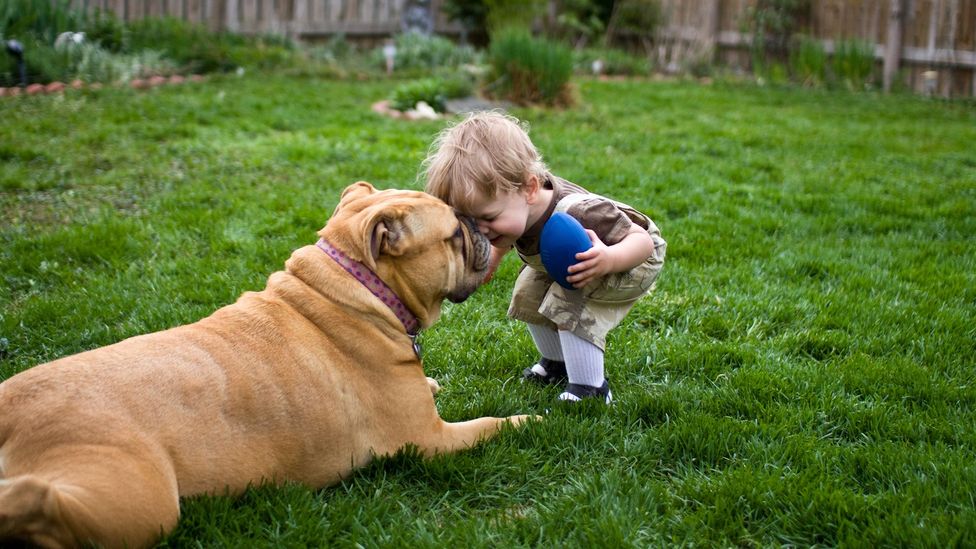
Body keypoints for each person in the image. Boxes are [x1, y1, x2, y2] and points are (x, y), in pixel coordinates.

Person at [423, 111, 666, 404]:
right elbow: (503, 235)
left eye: (488, 218)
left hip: (628, 259)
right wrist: (494, 257)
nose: (480, 231)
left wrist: (608, 259)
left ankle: (591, 390)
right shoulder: (513, 209)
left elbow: (641, 242)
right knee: (527, 292)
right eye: (470, 223)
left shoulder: (580, 212)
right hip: (572, 261)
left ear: (530, 188)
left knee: (567, 301)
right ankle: (557, 364)